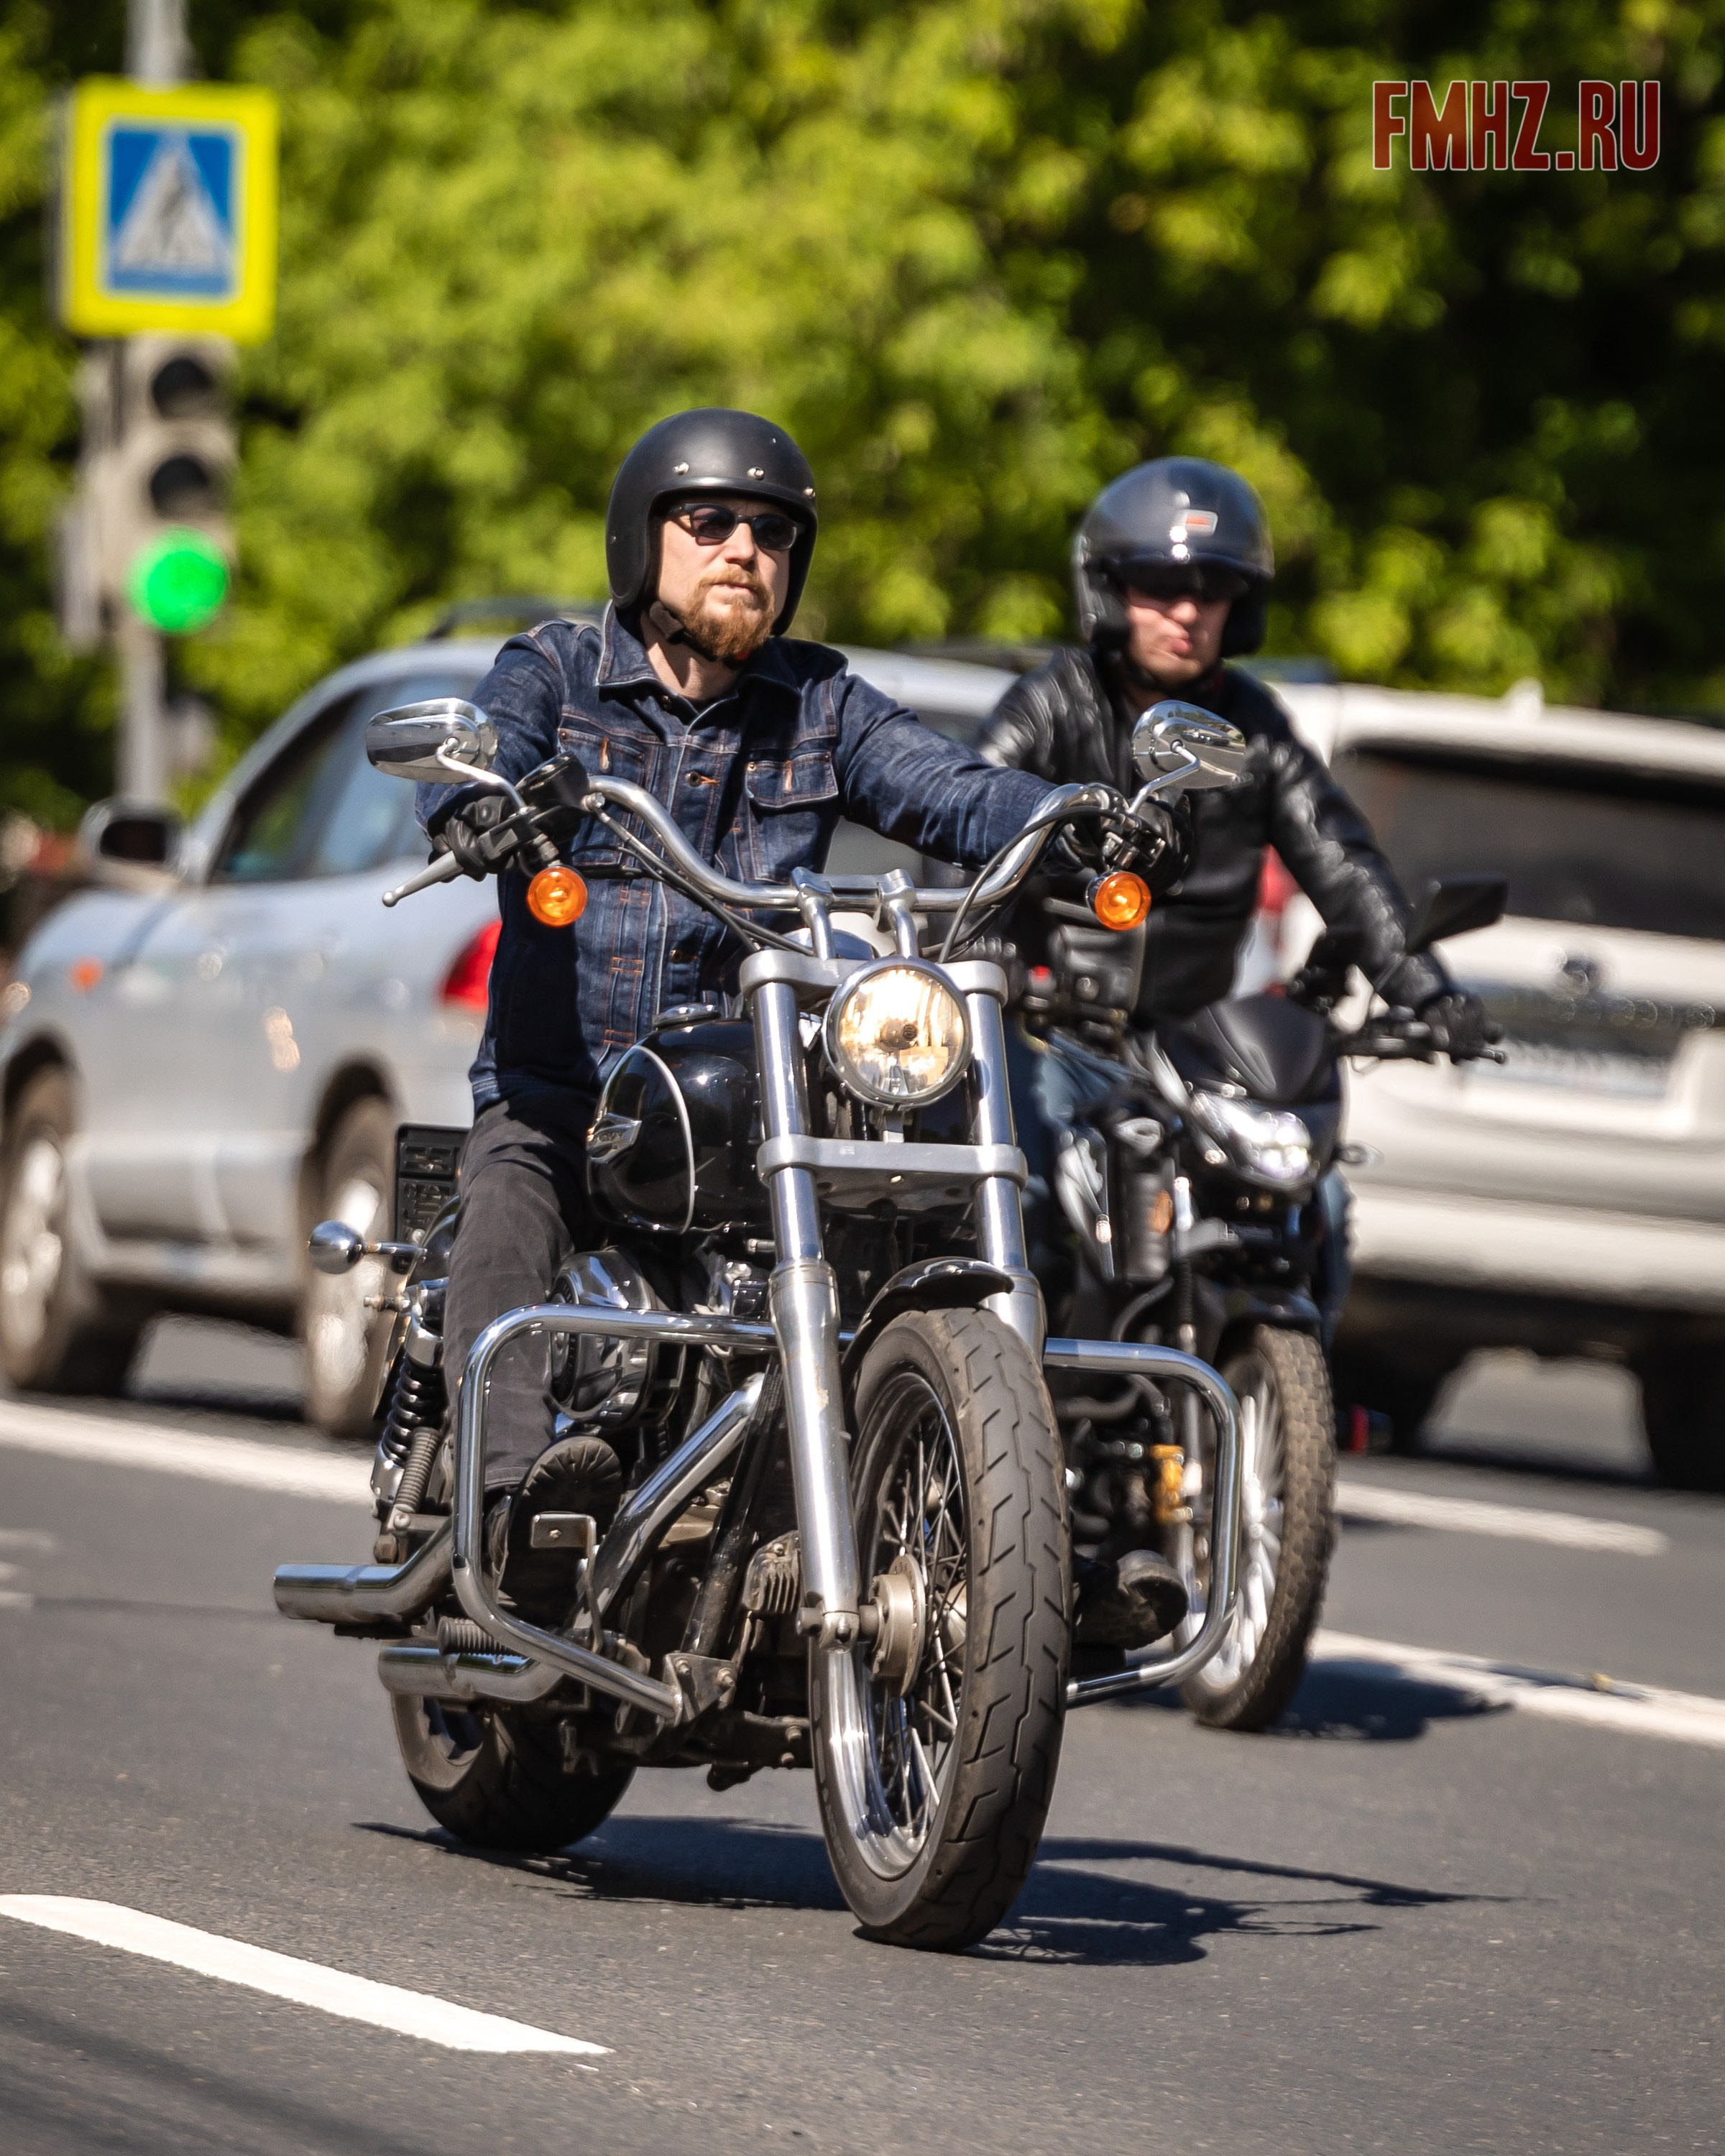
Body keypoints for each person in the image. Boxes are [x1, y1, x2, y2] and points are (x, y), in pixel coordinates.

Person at [416, 407, 1182, 1624]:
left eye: (772, 532)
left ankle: (1023, 1541)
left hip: (747, 1102)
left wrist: (1084, 813)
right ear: (643, 538)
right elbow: (493, 749)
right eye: (708, 521)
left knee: (943, 1217)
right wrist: (483, 804)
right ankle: (513, 1508)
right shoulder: (556, 671)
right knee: (509, 1207)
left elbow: (954, 792)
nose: (743, 550)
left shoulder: (821, 703)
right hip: (577, 1095)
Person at [978, 456, 1494, 1331]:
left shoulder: (1254, 728)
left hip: (1194, 1047)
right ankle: (1012, 1418)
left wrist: (1427, 991)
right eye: (1159, 583)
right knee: (1024, 1194)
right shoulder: (1052, 705)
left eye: (1211, 587)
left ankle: (1273, 1405)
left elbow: (1341, 861)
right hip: (1052, 1032)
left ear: (1240, 604)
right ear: (1110, 588)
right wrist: (978, 951)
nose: (1186, 609)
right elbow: (967, 821)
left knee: (1311, 1208)